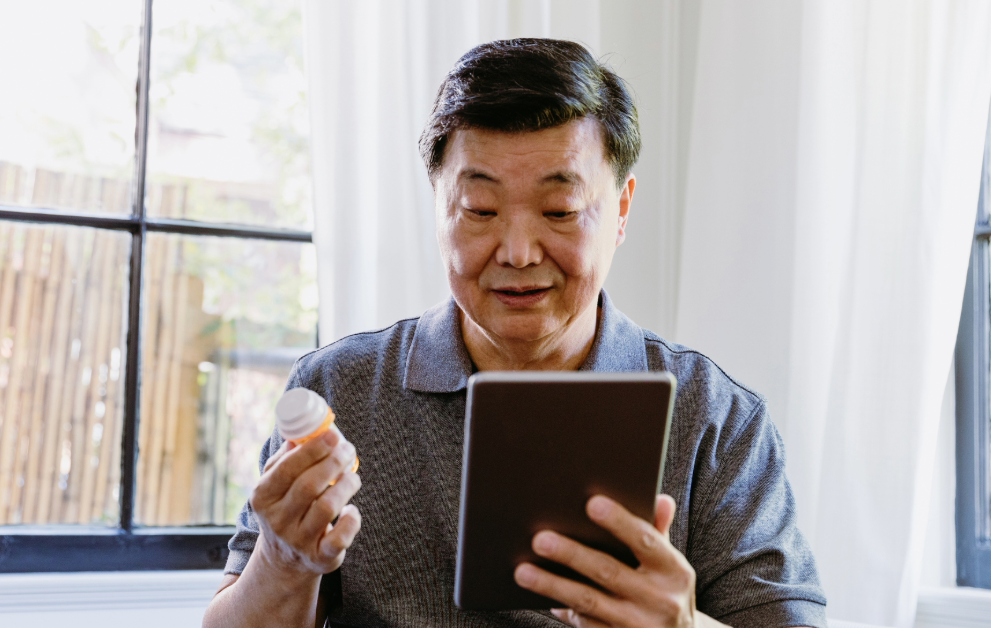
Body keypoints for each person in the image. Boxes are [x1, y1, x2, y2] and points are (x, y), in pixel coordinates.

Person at [202, 38, 826, 628]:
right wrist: (284, 561)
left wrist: (681, 624)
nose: (519, 251)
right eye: (479, 211)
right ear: (439, 209)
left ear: (622, 210)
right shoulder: (340, 388)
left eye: (559, 212)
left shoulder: (716, 418)